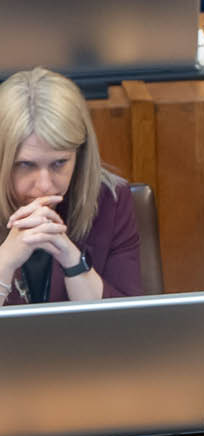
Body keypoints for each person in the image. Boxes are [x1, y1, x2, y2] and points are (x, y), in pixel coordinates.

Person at [0, 67, 142, 307]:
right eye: (25, 164)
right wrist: (4, 262)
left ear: (81, 155)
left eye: (59, 163)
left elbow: (129, 331)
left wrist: (72, 259)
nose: (45, 185)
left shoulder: (110, 200)